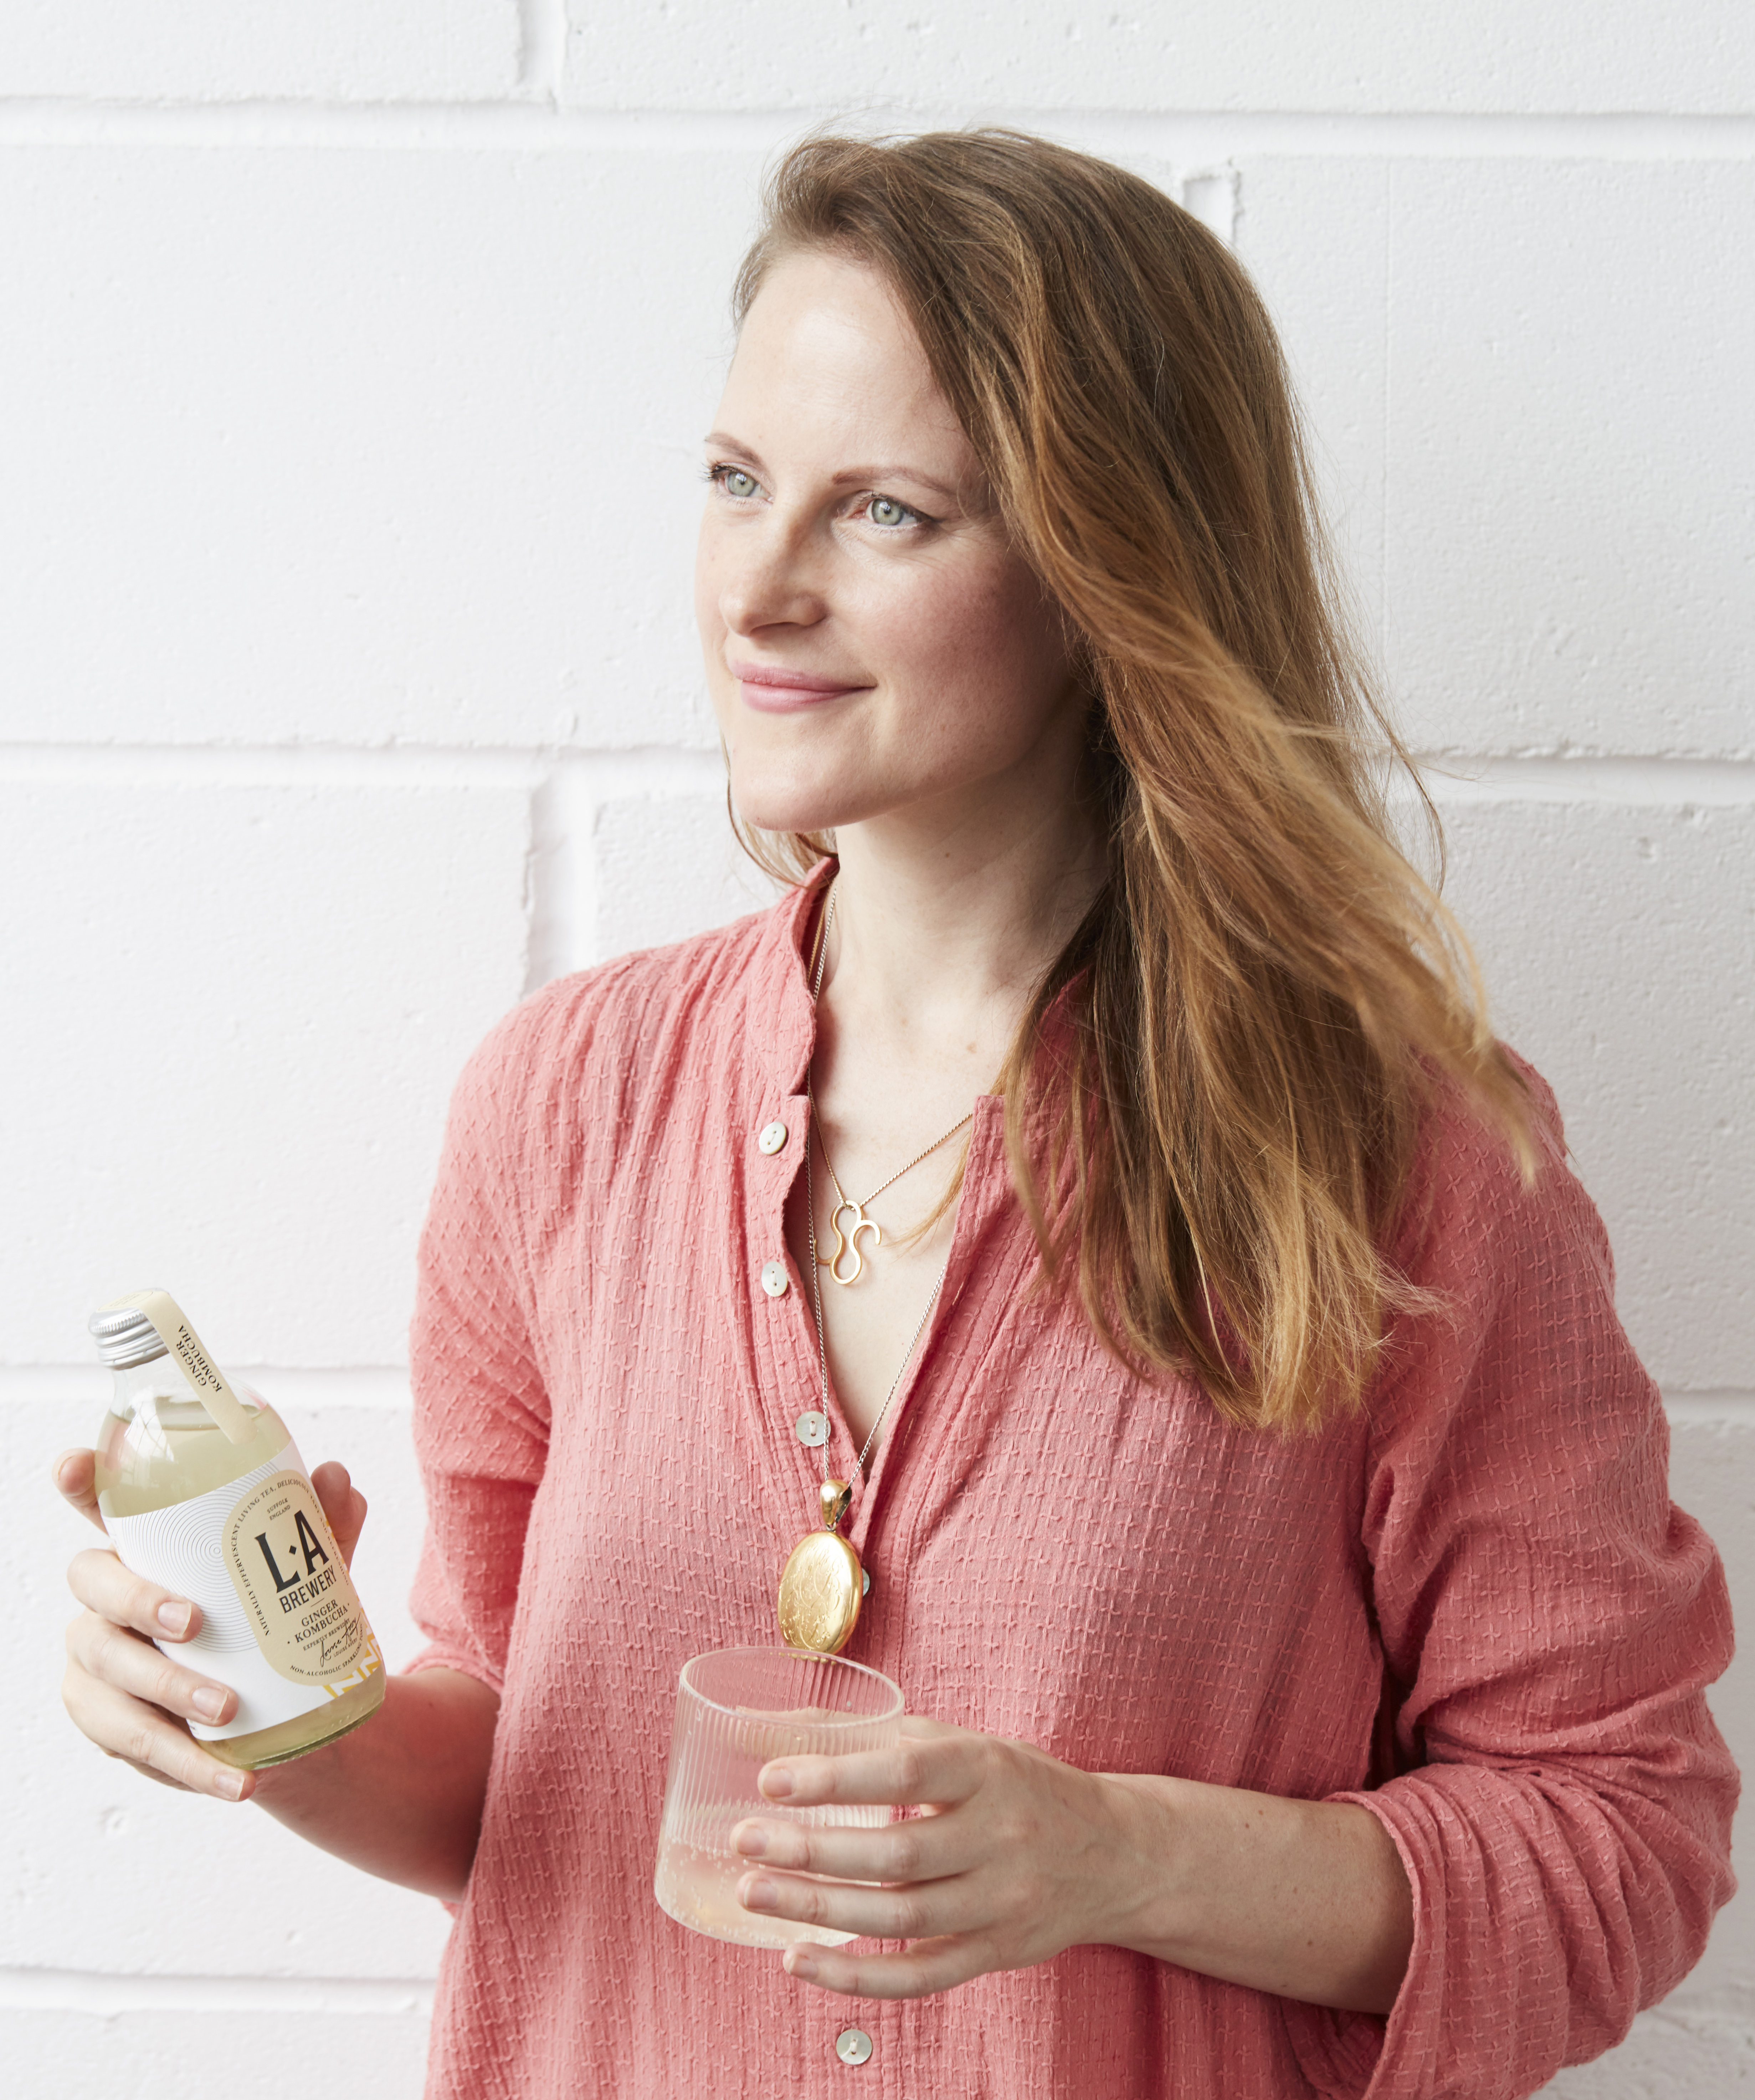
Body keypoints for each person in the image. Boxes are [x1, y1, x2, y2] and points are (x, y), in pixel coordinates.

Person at [57, 130, 1736, 2099]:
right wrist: (275, 1712)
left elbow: (1625, 1833)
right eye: (736, 481)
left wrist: (1116, 1850)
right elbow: (537, 1774)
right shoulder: (563, 1103)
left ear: (1114, 563)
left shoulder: (1403, 1161)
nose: (758, 587)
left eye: (885, 510)